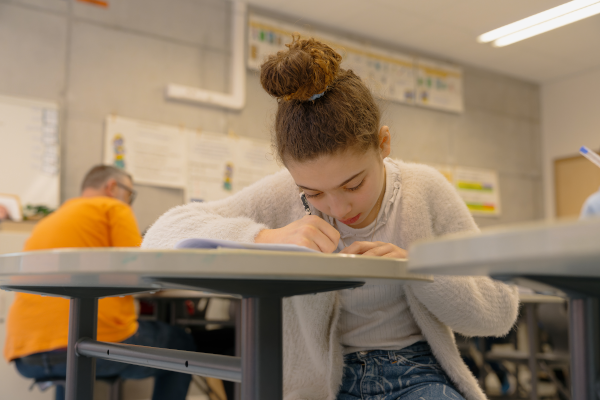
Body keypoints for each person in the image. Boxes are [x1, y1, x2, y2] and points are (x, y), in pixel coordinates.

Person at [142, 37, 519, 400]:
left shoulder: (425, 191)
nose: (338, 209)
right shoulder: (280, 194)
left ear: (383, 145)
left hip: (416, 374)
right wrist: (265, 238)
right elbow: (160, 236)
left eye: (353, 184)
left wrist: (420, 270)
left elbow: (499, 312)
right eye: (313, 193)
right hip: (317, 388)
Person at [4, 165, 195, 400]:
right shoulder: (113, 207)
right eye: (130, 194)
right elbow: (143, 271)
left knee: (72, 357)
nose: (129, 202)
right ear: (113, 187)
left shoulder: (49, 221)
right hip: (89, 345)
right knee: (181, 343)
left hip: (27, 354)